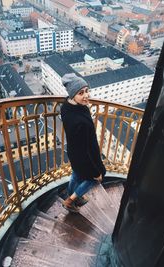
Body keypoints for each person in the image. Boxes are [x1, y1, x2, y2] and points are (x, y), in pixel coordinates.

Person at [61, 73, 106, 213]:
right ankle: (70, 201)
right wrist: (96, 170)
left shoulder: (66, 106)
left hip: (74, 153)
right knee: (94, 179)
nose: (86, 95)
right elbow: (85, 149)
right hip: (83, 156)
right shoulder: (79, 122)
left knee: (76, 175)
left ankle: (72, 195)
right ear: (73, 94)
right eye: (81, 93)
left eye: (87, 90)